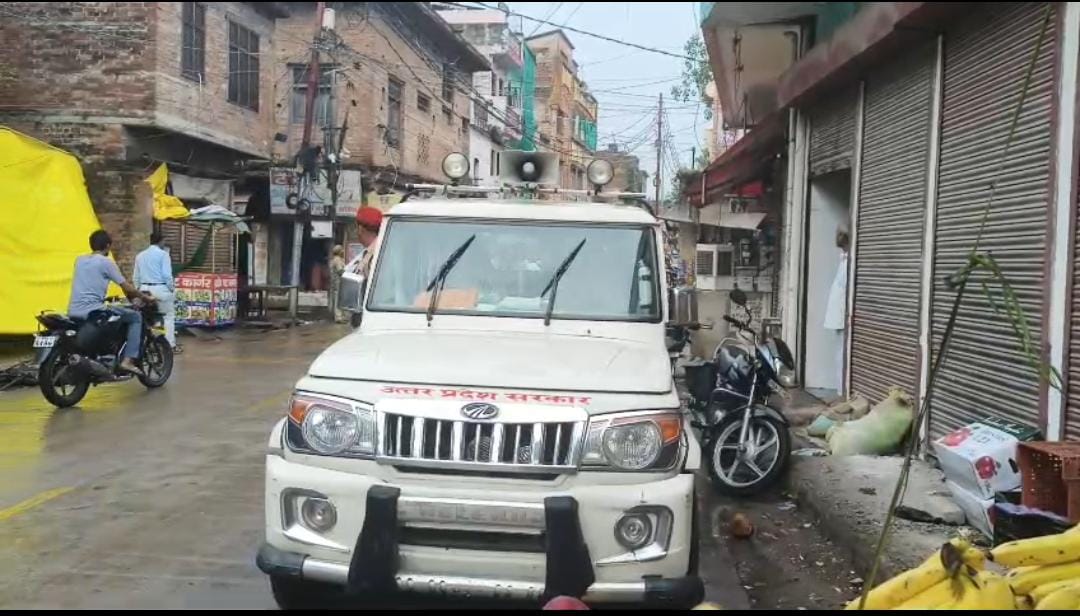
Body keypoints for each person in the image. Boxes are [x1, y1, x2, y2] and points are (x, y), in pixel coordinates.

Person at [68, 230, 154, 375]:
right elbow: (126, 287)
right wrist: (145, 298)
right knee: (135, 317)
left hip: (73, 310)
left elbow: (90, 283)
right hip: (94, 310)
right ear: (108, 246)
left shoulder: (79, 260)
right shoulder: (106, 263)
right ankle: (128, 360)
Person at [133, 231, 179, 353]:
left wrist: (139, 290)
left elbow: (136, 277)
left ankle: (152, 346)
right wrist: (171, 288)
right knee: (168, 317)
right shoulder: (163, 255)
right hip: (160, 289)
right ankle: (170, 345)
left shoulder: (140, 256)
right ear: (161, 241)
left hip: (144, 290)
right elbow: (167, 275)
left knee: (150, 319)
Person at [823, 227, 850, 394]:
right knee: (842, 354)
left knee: (841, 353)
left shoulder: (844, 260)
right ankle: (842, 390)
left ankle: (842, 390)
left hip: (839, 315)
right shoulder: (846, 261)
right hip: (841, 316)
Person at [329, 244, 347, 324]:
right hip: (338, 282)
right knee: (338, 299)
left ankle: (338, 316)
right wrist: (348, 272)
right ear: (339, 251)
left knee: (336, 298)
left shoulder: (334, 259)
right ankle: (338, 317)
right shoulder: (337, 260)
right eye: (342, 250)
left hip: (335, 282)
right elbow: (340, 271)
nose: (343, 251)